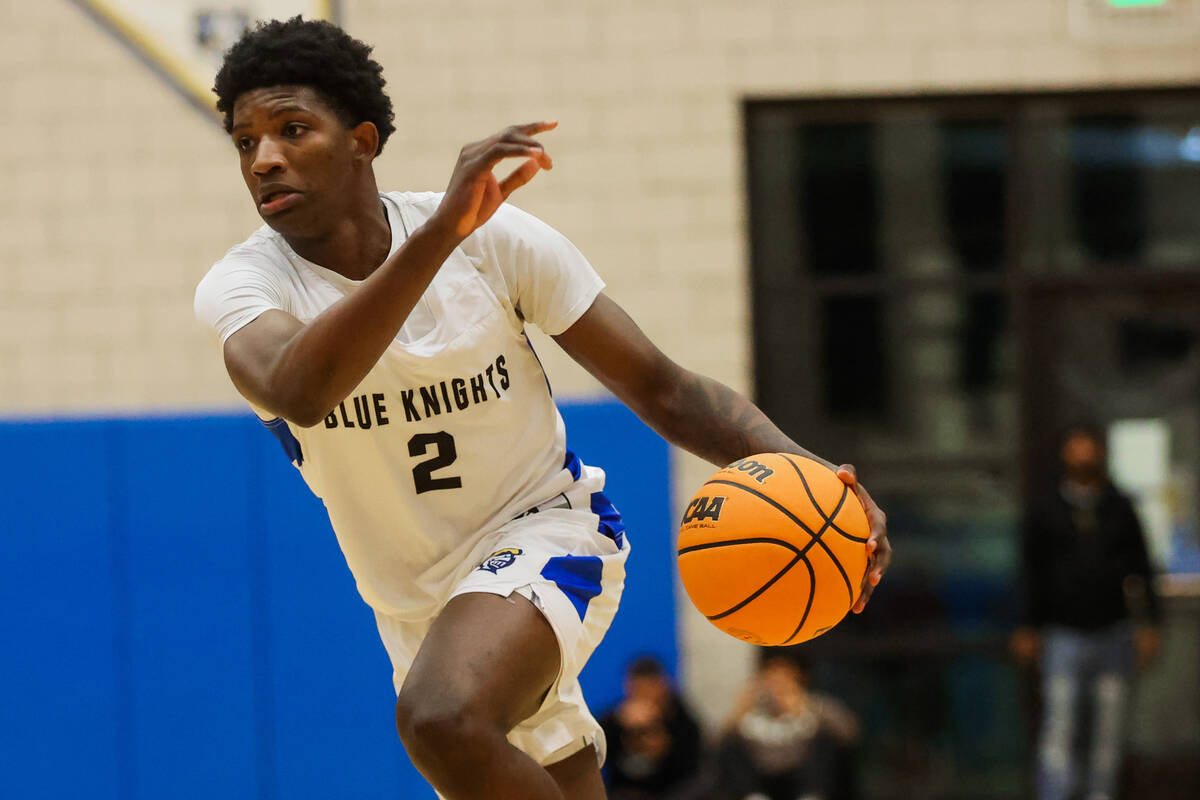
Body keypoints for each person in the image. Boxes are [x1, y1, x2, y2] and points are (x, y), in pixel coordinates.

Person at [193, 17, 891, 800]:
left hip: (546, 531)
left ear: (362, 139)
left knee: (439, 719)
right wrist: (439, 237)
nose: (265, 159)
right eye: (244, 142)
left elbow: (663, 387)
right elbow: (299, 389)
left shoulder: (494, 243)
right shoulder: (243, 287)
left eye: (290, 129)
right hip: (414, 603)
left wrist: (819, 479)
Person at [1012, 424, 1162, 800]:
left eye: (1089, 447)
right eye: (1075, 447)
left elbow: (1142, 569)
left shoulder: (1120, 507)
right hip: (1063, 633)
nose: (1083, 455)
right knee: (1060, 724)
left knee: (1108, 730)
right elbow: (1031, 572)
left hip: (1113, 631)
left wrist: (1150, 624)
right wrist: (1028, 625)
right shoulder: (1046, 510)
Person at [715, 652, 859, 800]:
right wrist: (741, 708)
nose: (778, 685)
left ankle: (812, 796)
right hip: (760, 777)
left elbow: (849, 733)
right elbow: (718, 742)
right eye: (773, 677)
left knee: (825, 741)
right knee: (732, 746)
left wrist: (804, 704)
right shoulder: (751, 707)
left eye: (785, 677)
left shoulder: (812, 704)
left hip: (801, 776)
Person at [599, 656, 704, 799]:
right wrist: (617, 722)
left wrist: (666, 748)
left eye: (647, 688)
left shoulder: (682, 722)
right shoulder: (618, 717)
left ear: (662, 686)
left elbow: (694, 770)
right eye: (636, 689)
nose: (643, 695)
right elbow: (594, 748)